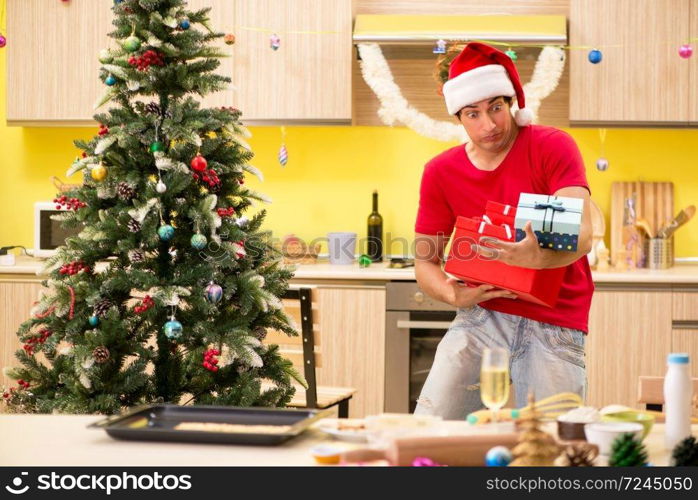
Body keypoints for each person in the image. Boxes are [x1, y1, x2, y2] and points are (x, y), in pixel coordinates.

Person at [413, 42, 594, 419]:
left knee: (550, 448)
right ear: (458, 117)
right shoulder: (439, 172)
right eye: (473, 114)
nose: (489, 124)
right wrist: (451, 294)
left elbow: (582, 234)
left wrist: (539, 258)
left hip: (556, 320)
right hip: (480, 315)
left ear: (510, 101)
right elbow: (425, 262)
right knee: (431, 429)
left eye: (495, 107)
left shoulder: (551, 146)